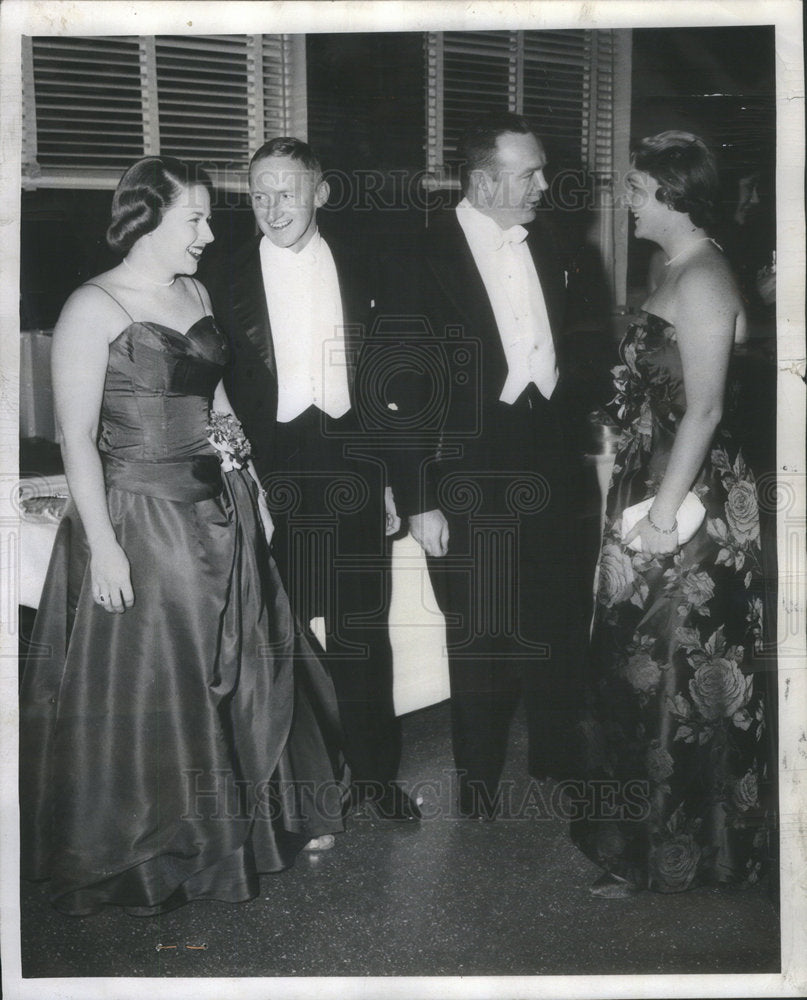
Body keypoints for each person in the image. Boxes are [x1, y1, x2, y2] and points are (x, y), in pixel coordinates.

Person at [19, 156, 345, 917]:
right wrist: (102, 544)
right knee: (168, 680)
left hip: (218, 503)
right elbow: (74, 439)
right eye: (192, 219)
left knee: (249, 662)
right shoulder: (91, 306)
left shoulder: (194, 291)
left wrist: (251, 483)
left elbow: (218, 402)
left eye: (205, 217)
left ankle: (249, 832)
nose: (208, 232)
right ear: (146, 220)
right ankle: (158, 845)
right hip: (140, 512)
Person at [571, 131, 771, 896]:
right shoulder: (673, 266)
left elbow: (707, 408)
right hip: (651, 483)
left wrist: (658, 518)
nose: (625, 199)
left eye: (636, 187)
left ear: (673, 197)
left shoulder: (706, 277)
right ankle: (643, 842)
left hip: (687, 501)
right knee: (635, 667)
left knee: (672, 667)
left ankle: (675, 855)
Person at [373, 112, 587, 819]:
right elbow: (396, 387)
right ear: (481, 177)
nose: (543, 185)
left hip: (553, 461)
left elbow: (571, 349)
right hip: (464, 469)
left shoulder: (557, 241)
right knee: (481, 629)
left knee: (557, 615)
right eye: (528, 173)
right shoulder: (414, 252)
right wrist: (417, 496)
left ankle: (558, 757)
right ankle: (479, 777)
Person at [206, 138, 420, 822]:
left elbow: (395, 385)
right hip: (268, 468)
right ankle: (288, 789)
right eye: (258, 194)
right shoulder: (219, 273)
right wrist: (240, 479)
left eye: (286, 192)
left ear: (320, 193)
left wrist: (395, 480)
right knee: (276, 628)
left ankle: (375, 776)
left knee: (361, 627)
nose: (271, 207)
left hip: (354, 461)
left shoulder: (369, 265)